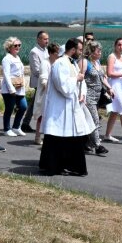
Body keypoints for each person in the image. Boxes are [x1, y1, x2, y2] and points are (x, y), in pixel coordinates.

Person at [38, 38, 95, 176]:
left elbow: (81, 84)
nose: (81, 53)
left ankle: (71, 166)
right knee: (57, 138)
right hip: (59, 109)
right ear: (73, 50)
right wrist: (76, 79)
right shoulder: (60, 64)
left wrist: (82, 93)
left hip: (72, 107)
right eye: (80, 50)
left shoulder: (73, 63)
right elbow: (62, 86)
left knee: (72, 138)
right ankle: (54, 166)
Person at [83, 41, 112, 155]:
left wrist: (109, 88)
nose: (100, 53)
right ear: (91, 52)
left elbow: (102, 77)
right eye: (98, 51)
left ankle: (87, 144)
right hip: (88, 96)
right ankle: (98, 146)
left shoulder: (97, 62)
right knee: (95, 120)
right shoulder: (86, 63)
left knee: (95, 120)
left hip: (97, 97)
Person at [21, 30, 50, 134]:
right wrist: (48, 76)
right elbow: (37, 70)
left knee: (35, 103)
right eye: (45, 39)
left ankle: (26, 122)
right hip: (40, 81)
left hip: (46, 80)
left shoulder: (46, 50)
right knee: (35, 103)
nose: (47, 41)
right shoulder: (34, 52)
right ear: (38, 39)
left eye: (47, 39)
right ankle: (26, 123)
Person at [32, 42, 60, 145]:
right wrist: (48, 87)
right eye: (57, 52)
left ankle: (50, 136)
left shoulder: (58, 62)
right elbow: (43, 78)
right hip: (45, 92)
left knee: (52, 115)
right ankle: (38, 136)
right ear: (51, 53)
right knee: (41, 115)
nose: (59, 54)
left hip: (54, 92)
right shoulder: (45, 63)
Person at [0, 36, 27, 137]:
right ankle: (7, 129)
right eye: (15, 45)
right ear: (9, 47)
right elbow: (6, 75)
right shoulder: (6, 59)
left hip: (19, 87)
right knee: (9, 108)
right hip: (9, 89)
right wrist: (11, 89)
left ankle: (16, 127)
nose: (18, 47)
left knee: (23, 106)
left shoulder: (18, 57)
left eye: (19, 45)